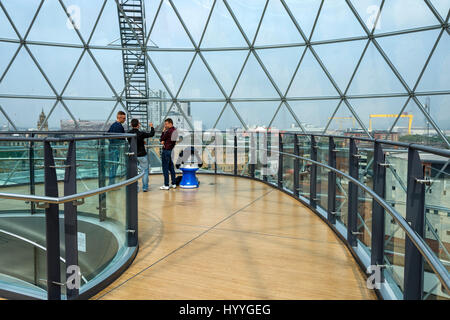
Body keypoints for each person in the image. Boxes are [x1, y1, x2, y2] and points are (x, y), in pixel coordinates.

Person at [128, 119, 155, 192]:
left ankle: (135, 188)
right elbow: (151, 134)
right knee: (145, 171)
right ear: (138, 125)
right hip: (142, 154)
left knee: (134, 172)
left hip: (133, 154)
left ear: (131, 124)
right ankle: (145, 187)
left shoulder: (129, 133)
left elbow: (131, 142)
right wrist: (152, 127)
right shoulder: (141, 134)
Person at [107, 111, 126, 185]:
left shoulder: (113, 125)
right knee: (114, 166)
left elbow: (108, 134)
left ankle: (111, 183)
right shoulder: (119, 126)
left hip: (111, 148)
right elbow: (122, 138)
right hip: (115, 149)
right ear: (119, 117)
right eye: (124, 118)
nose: (125, 120)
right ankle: (111, 184)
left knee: (112, 166)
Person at [159, 118, 177, 190]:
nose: (165, 125)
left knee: (165, 168)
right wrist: (164, 141)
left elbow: (161, 138)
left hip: (166, 151)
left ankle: (166, 185)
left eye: (166, 124)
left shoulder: (169, 131)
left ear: (170, 123)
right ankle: (174, 183)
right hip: (171, 150)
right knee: (171, 167)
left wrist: (163, 131)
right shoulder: (175, 130)